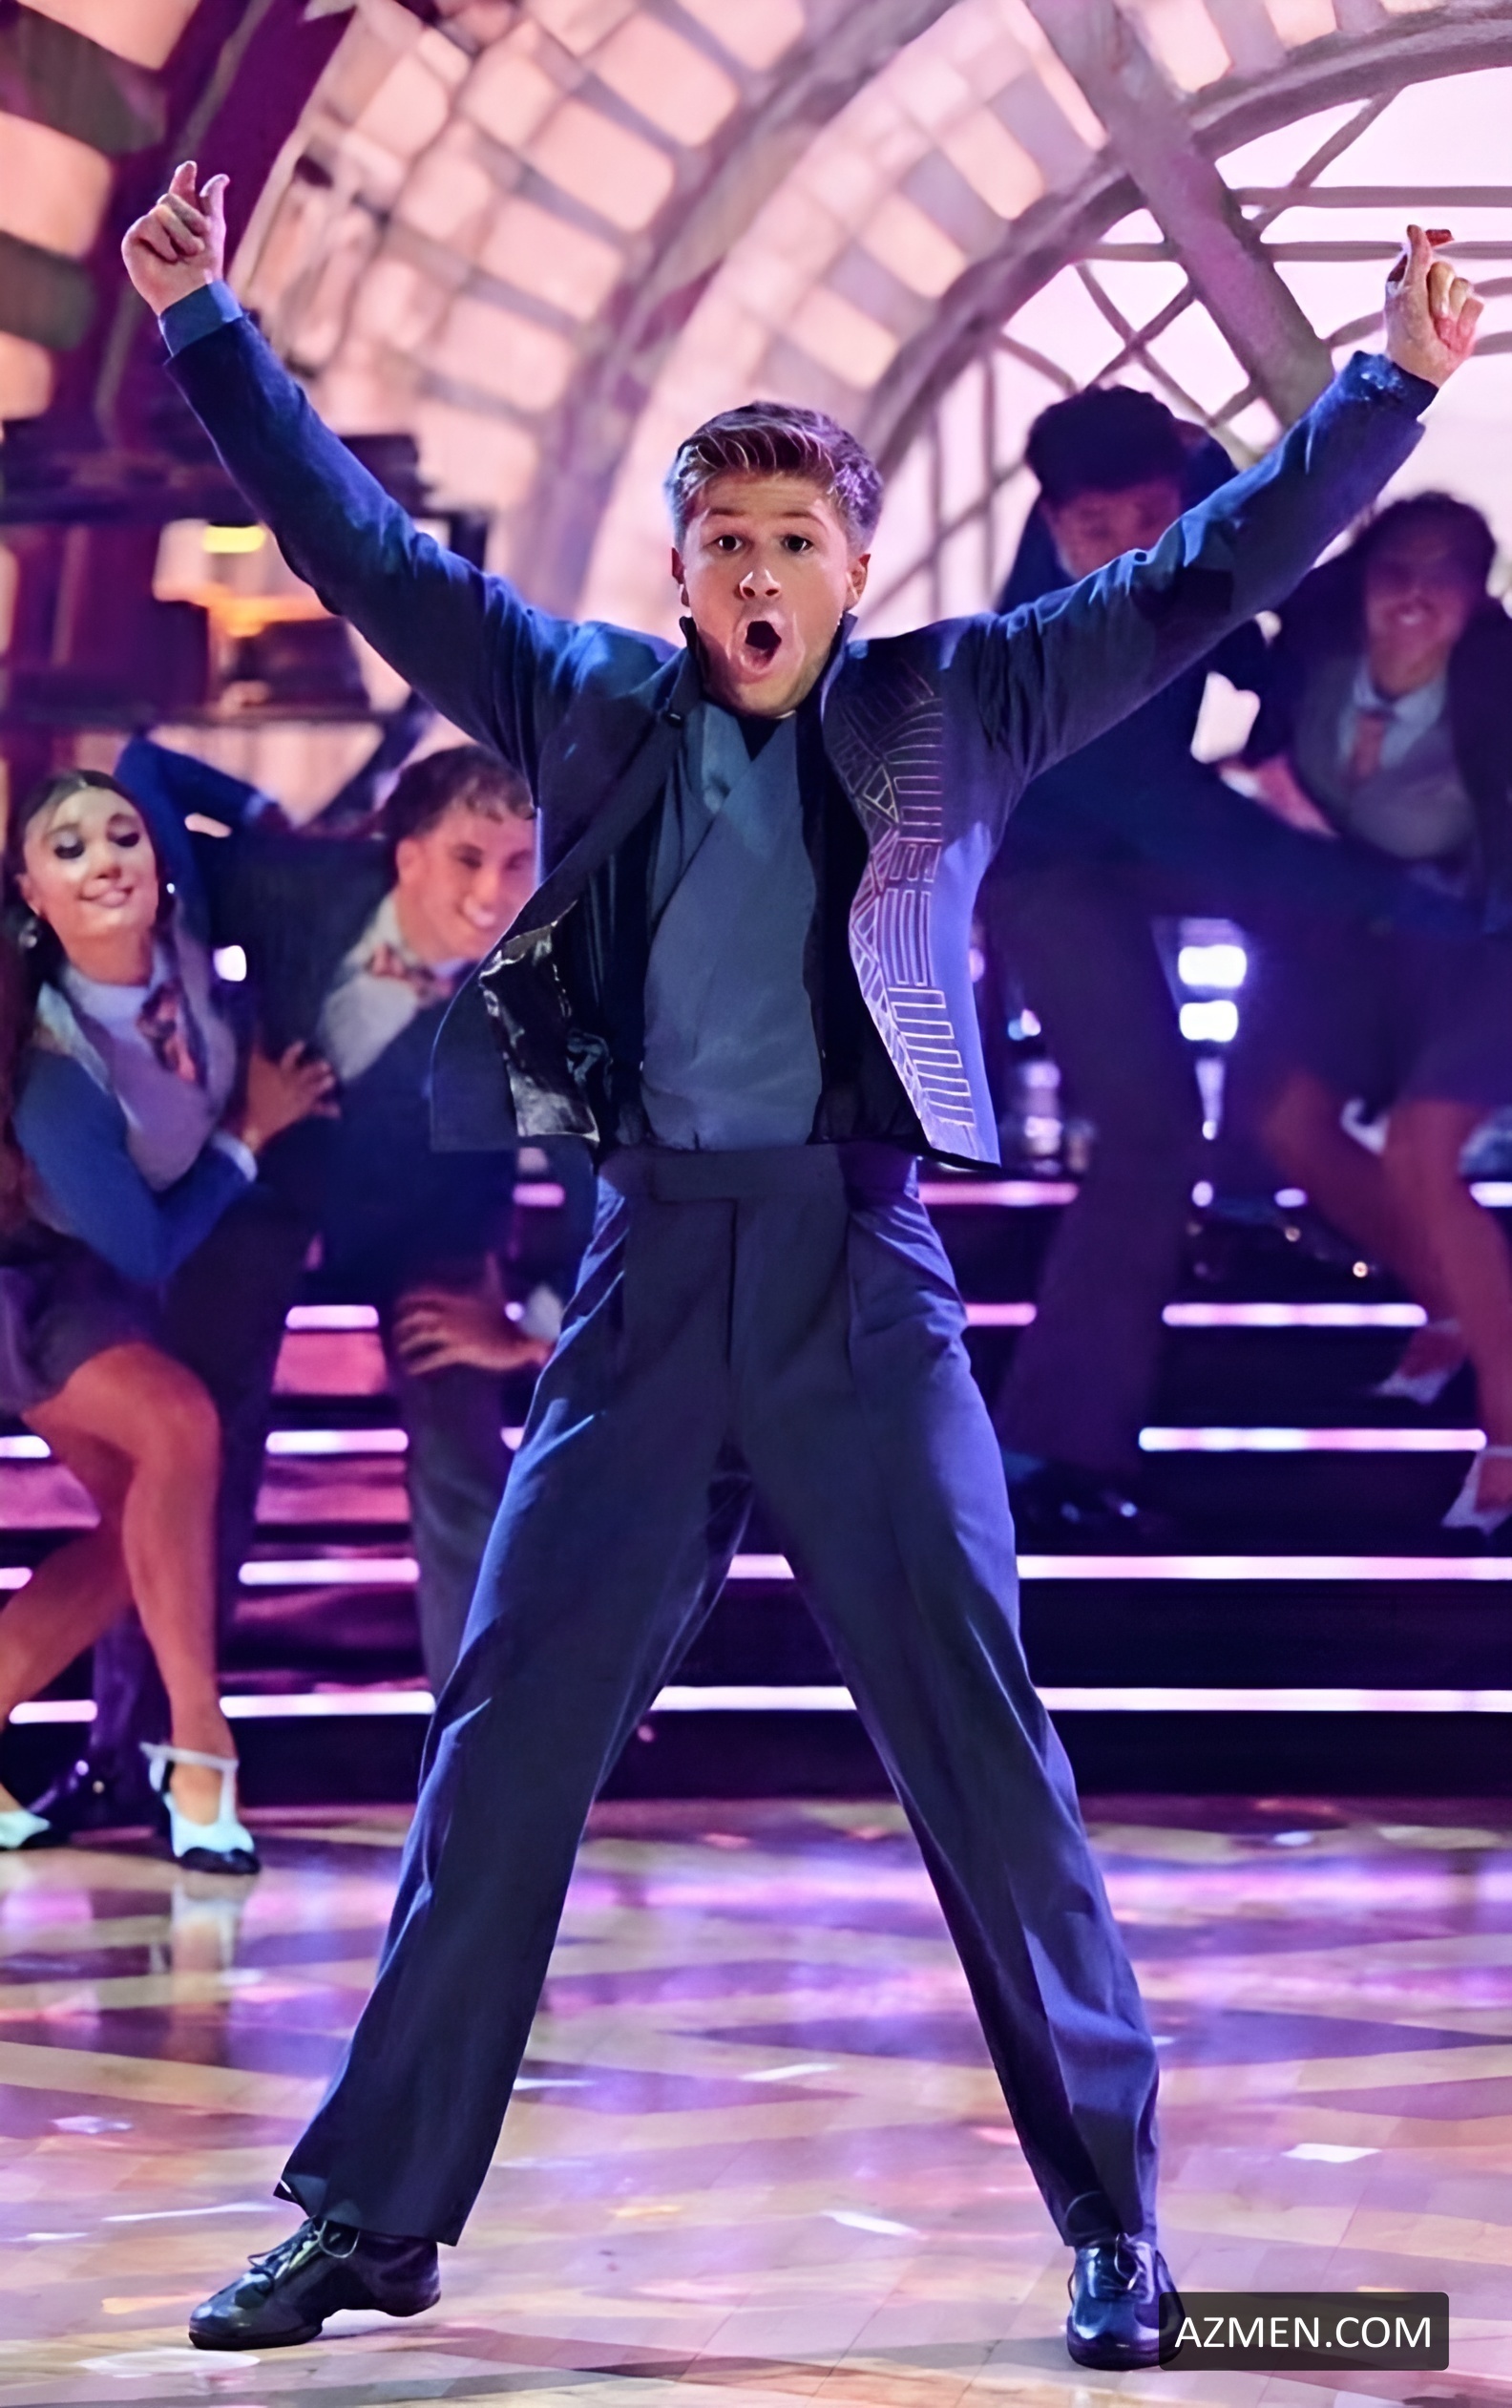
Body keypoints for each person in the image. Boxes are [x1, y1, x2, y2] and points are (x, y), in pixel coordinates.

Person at [122, 158, 1477, 2374]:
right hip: (648, 1284)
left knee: (981, 1748)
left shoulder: (963, 699)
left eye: (792, 540)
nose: (756, 571)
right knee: (505, 1744)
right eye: (724, 541)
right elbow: (362, 554)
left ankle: (1119, 2225)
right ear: (680, 571)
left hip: (861, 1275)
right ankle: (372, 2217)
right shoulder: (579, 701)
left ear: (855, 564)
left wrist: (1386, 391)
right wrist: (206, 329)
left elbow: (1213, 570)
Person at [34, 738, 585, 1838]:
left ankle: (490, 1771)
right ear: (406, 854)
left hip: (431, 1226)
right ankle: (132, 1754)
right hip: (261, 1188)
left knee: (462, 1451)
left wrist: (530, 1322)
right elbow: (141, 776)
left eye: (517, 861)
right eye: (469, 858)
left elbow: (599, 1181)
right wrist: (259, 810)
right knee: (197, 1451)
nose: (493, 891)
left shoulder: (545, 980)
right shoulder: (298, 882)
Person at [976, 389, 1468, 1543]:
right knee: (1150, 1131)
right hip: (1048, 854)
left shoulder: (1195, 486)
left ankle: (1253, 1181)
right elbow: (1199, 832)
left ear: (1182, 482)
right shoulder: (1053, 646)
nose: (1129, 548)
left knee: (1309, 916)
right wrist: (1395, 893)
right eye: (1096, 531)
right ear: (1051, 521)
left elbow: (1276, 572)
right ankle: (1048, 1450)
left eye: (1151, 517)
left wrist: (1302, 708)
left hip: (1145, 825)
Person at [0, 770, 333, 1865]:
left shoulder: (181, 944)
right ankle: (200, 1744)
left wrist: (264, 810)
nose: (105, 859)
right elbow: (145, 1245)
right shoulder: (55, 1067)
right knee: (181, 1424)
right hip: (27, 1282)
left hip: (87, 1275)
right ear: (31, 895)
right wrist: (249, 1134)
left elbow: (147, 758)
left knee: (132, 1539)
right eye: (68, 849)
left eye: (122, 837)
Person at [1232, 493, 1512, 1533]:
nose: (1417, 593)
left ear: (1478, 597)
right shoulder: (1314, 649)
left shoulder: (1497, 678)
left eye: (1447, 574)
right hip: (1356, 934)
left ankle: (1508, 1430)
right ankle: (1452, 1301)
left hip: (1483, 940)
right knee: (1287, 1124)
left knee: (1420, 1150)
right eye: (1399, 565)